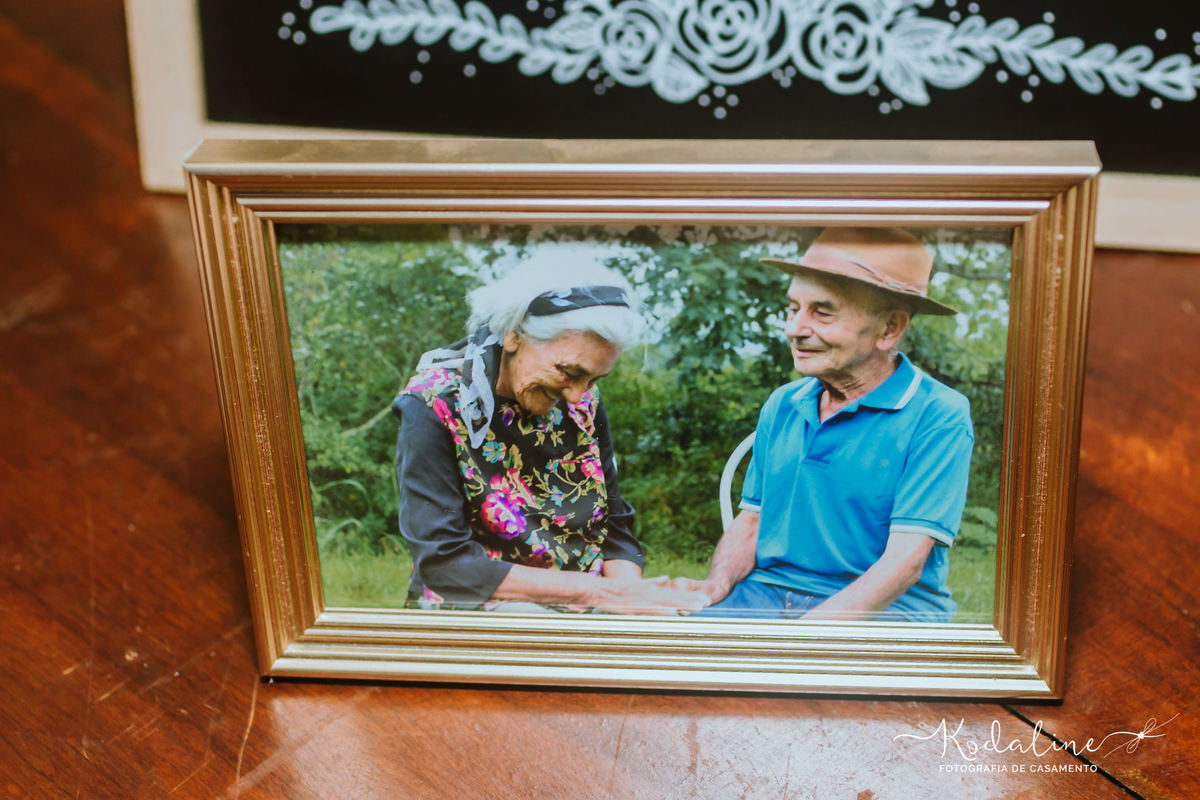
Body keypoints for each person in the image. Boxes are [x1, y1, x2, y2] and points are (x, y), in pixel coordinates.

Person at [392, 251, 710, 615]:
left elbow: (615, 526)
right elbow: (446, 563)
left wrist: (629, 599)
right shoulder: (433, 405)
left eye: (593, 379)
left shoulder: (584, 399)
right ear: (514, 335)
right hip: (482, 609)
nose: (578, 395)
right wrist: (601, 595)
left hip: (587, 601)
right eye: (569, 372)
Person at [689, 227, 975, 622]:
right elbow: (751, 523)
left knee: (803, 683)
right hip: (767, 593)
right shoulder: (783, 404)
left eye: (822, 312)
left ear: (889, 328)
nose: (795, 329)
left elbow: (905, 562)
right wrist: (713, 591)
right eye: (793, 309)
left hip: (889, 610)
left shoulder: (939, 413)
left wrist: (805, 641)